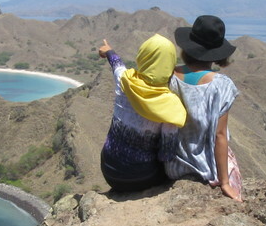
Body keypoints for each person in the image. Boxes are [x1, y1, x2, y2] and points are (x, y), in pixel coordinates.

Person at [166, 15, 242, 201]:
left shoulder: (170, 75)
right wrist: (224, 183)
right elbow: (220, 135)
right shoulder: (221, 85)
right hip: (205, 168)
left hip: (172, 165)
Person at [98, 33, 186, 192]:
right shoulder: (171, 106)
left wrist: (108, 51)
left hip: (109, 171)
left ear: (143, 57)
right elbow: (166, 154)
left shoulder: (126, 81)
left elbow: (117, 65)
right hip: (141, 180)